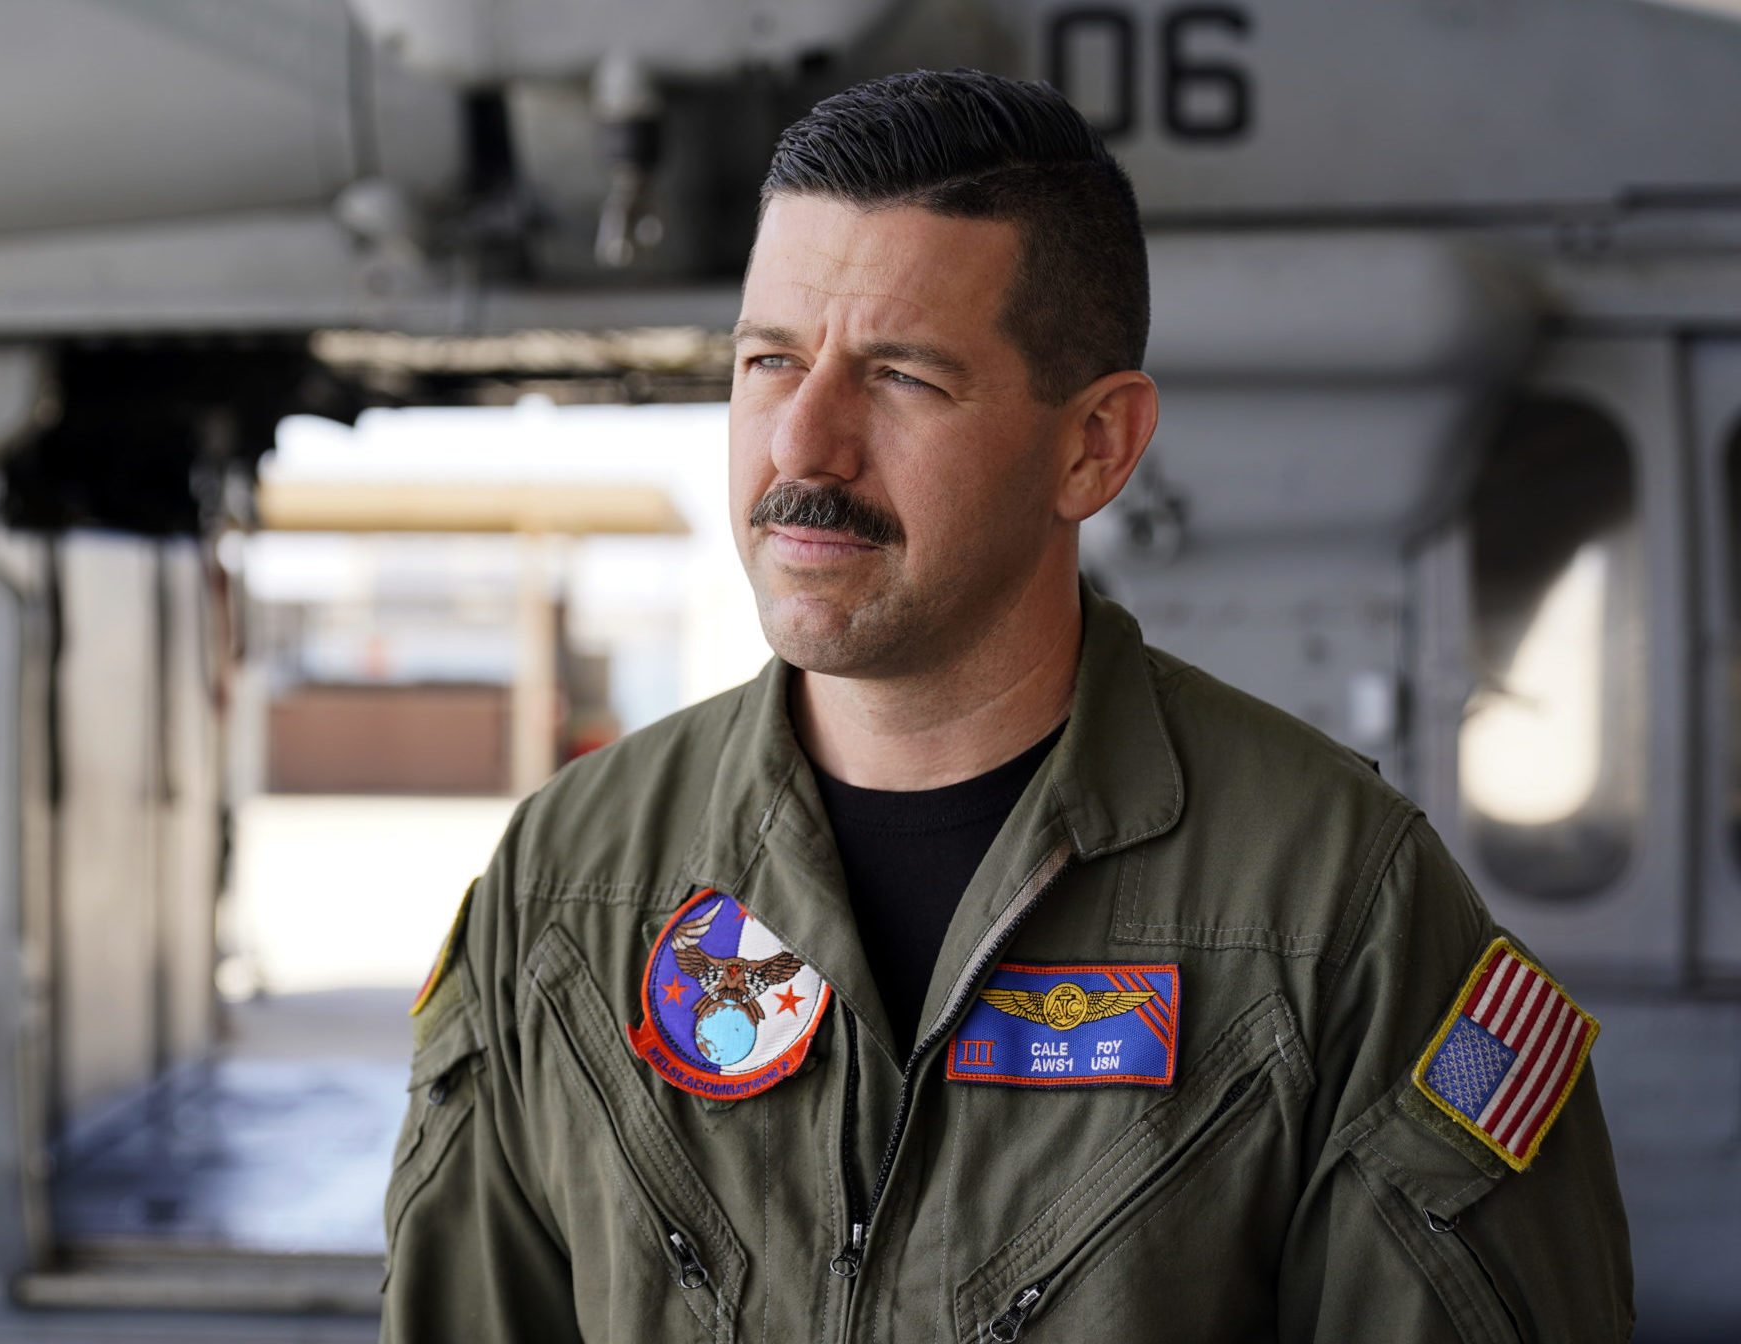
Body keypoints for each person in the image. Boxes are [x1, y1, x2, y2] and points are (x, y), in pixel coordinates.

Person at [382, 69, 1632, 1343]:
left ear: (1093, 445)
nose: (801, 447)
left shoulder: (1333, 913)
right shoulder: (567, 886)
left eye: (901, 376)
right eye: (768, 361)